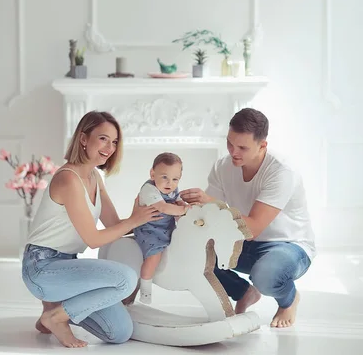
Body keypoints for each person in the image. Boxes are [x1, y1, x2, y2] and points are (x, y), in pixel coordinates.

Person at [22, 110, 161, 348]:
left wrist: (155, 218)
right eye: (103, 138)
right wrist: (134, 221)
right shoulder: (68, 179)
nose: (110, 147)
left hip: (69, 269)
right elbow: (94, 239)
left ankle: (54, 310)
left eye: (115, 141)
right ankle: (56, 317)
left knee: (120, 332)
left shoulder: (95, 176)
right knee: (125, 278)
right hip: (42, 268)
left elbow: (115, 226)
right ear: (84, 139)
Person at [180, 108, 315, 329]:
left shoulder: (281, 172)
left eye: (242, 147)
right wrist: (186, 212)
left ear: (263, 146)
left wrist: (209, 201)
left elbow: (252, 229)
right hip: (242, 244)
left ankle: (289, 299)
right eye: (230, 143)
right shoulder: (223, 167)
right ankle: (243, 292)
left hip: (287, 245)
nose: (233, 152)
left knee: (266, 275)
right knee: (190, 249)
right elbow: (212, 218)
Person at [133, 152, 189, 304]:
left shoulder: (172, 190)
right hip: (149, 230)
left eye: (175, 179)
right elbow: (163, 207)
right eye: (164, 177)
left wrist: (183, 206)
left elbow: (176, 205)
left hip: (167, 229)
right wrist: (184, 210)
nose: (169, 183)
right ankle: (145, 289)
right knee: (154, 256)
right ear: (152, 174)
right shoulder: (149, 190)